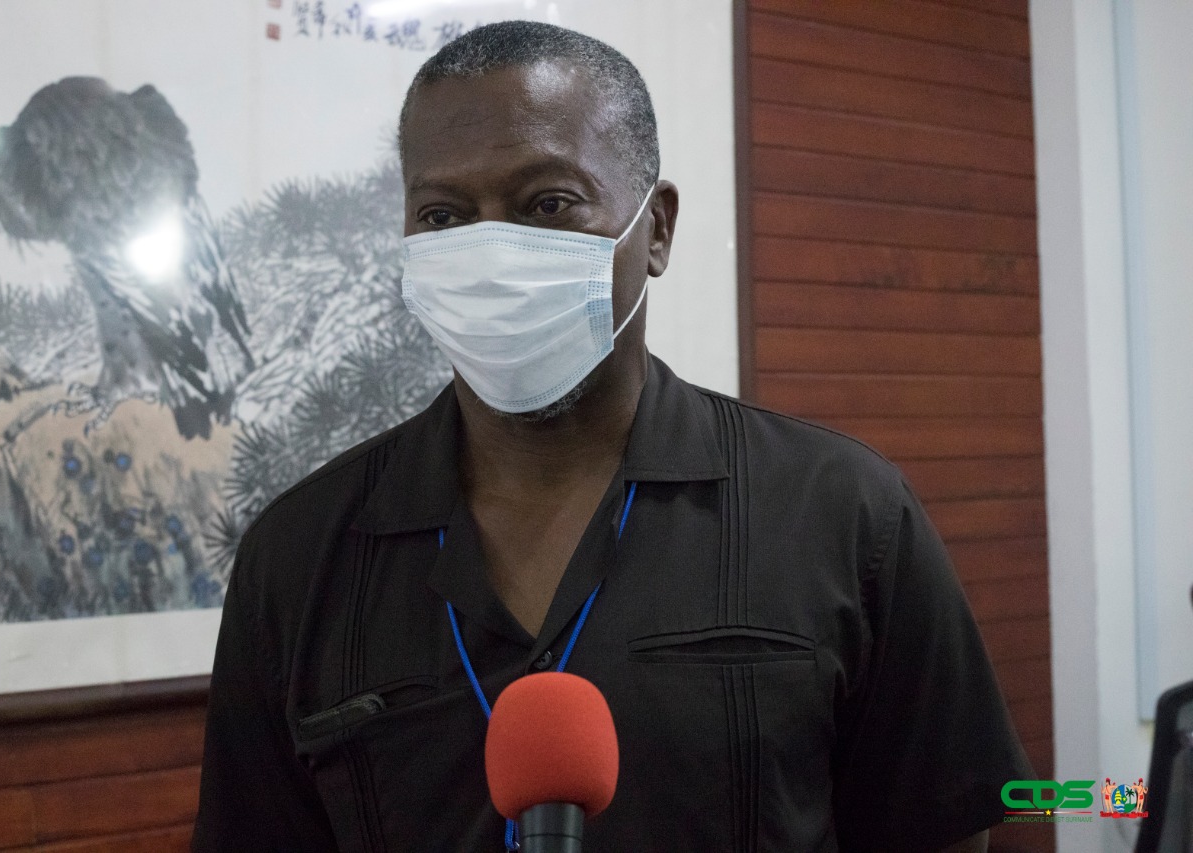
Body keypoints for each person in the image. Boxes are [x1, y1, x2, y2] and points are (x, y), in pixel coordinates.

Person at [193, 20, 1031, 852]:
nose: (493, 254)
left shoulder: (844, 514)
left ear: (655, 228)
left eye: (548, 203)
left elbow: (938, 831)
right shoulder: (297, 558)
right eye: (444, 215)